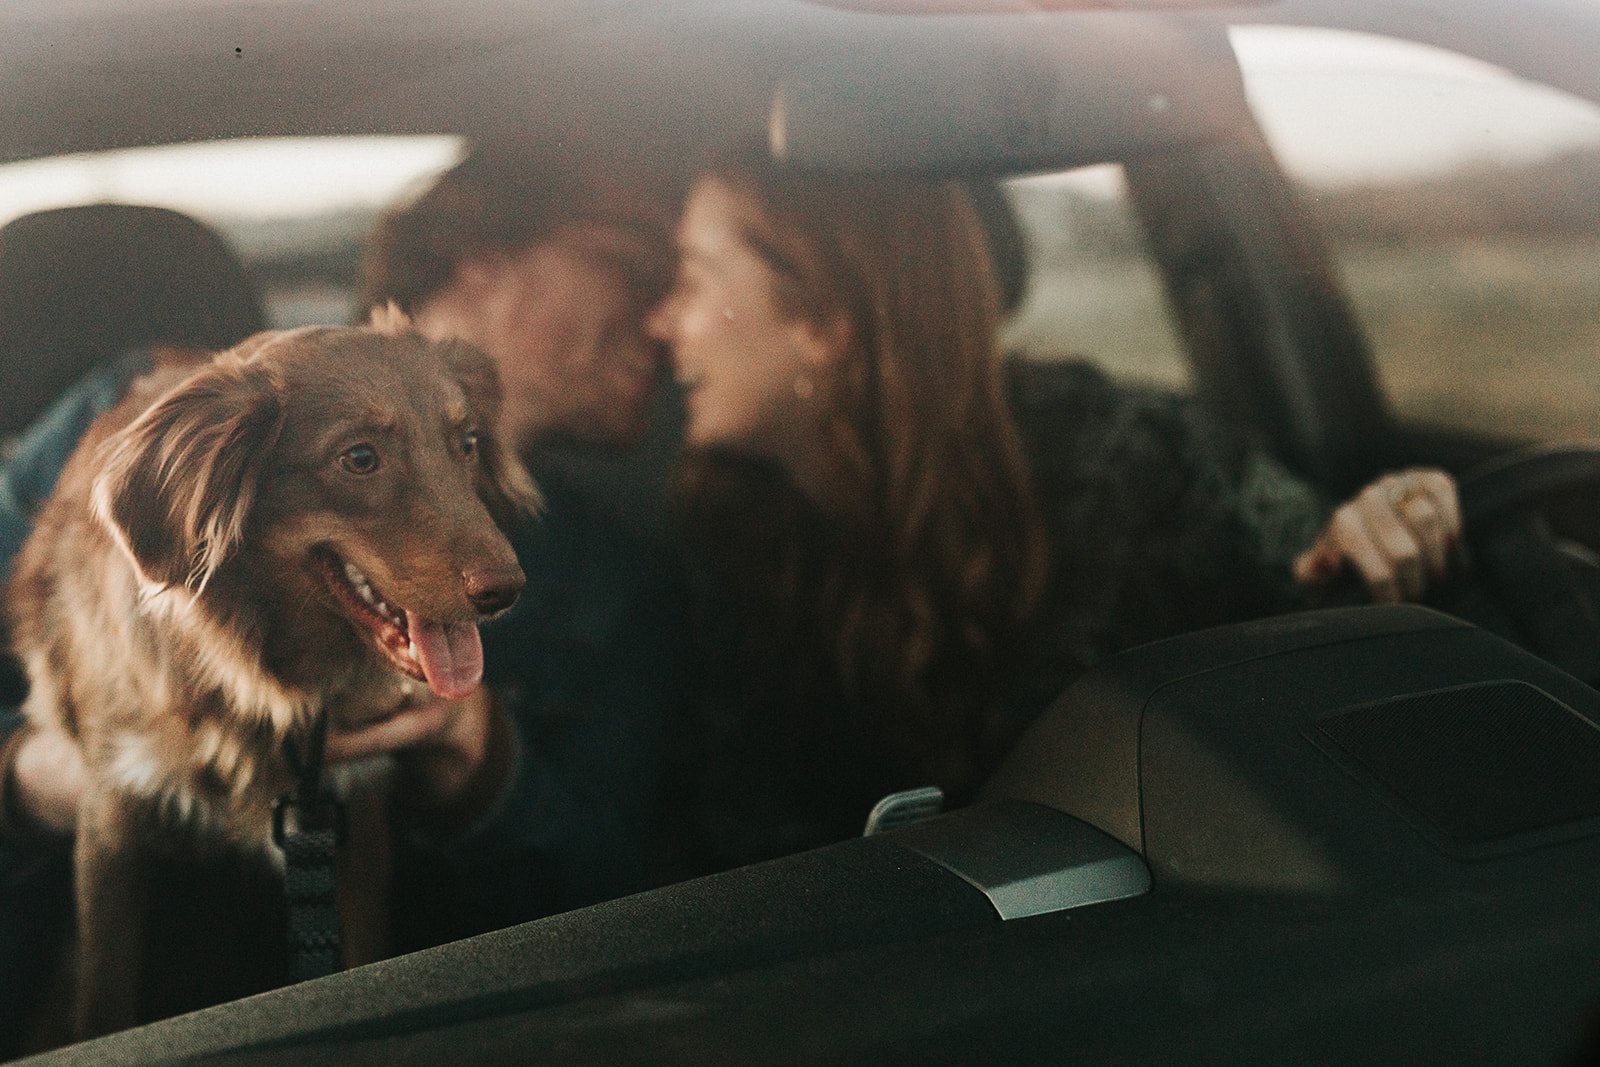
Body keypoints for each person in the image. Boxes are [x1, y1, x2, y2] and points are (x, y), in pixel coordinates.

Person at [642, 164, 1462, 872]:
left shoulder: (1126, 461)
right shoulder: (720, 535)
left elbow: (1324, 604)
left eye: (692, 278)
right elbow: (736, 854)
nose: (661, 322)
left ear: (823, 322)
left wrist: (1387, 531)